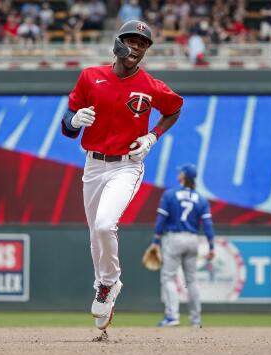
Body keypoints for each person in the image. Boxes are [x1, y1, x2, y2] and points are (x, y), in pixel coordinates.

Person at [61, 20, 183, 333]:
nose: (136, 47)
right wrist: (75, 120)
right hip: (93, 164)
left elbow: (174, 108)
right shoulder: (91, 76)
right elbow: (66, 126)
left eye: (142, 43)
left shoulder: (150, 85)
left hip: (126, 165)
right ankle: (104, 288)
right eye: (131, 40)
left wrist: (153, 136)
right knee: (95, 233)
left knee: (104, 224)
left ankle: (108, 282)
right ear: (117, 43)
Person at [147, 164, 214, 328]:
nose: (179, 173)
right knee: (191, 280)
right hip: (192, 239)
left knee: (168, 277)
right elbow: (207, 224)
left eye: (181, 172)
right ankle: (196, 319)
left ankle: (172, 316)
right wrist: (211, 246)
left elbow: (161, 220)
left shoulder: (170, 194)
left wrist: (156, 240)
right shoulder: (201, 198)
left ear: (183, 176)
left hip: (174, 238)